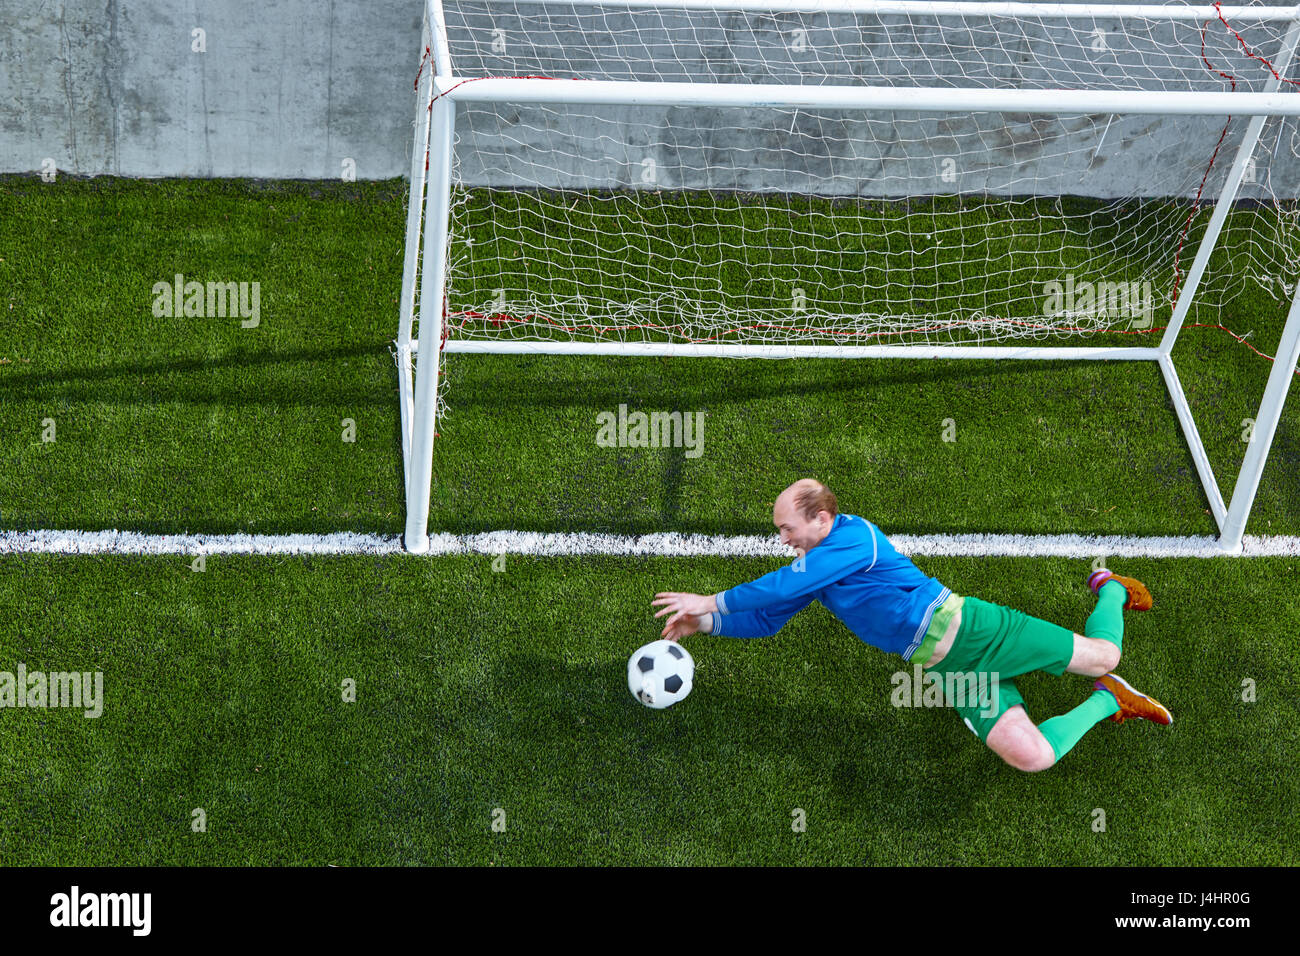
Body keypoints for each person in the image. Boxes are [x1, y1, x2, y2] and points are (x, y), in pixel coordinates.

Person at [651, 478, 1171, 772]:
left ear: (821, 519)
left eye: (786, 528)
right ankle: (1110, 699)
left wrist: (711, 598)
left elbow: (781, 587)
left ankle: (1112, 587)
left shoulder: (855, 538)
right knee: (1031, 756)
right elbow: (767, 618)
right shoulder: (813, 568)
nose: (782, 538)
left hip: (978, 632)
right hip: (948, 667)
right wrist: (708, 624)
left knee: (1105, 653)